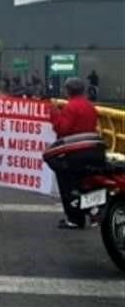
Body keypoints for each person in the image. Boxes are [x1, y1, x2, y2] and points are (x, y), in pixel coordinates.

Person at [51, 77, 99, 228]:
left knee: (68, 185)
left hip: (75, 152)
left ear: (68, 90)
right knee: (87, 183)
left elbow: (63, 129)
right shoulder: (89, 106)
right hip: (92, 149)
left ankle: (74, 218)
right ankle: (93, 213)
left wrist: (55, 117)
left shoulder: (71, 107)